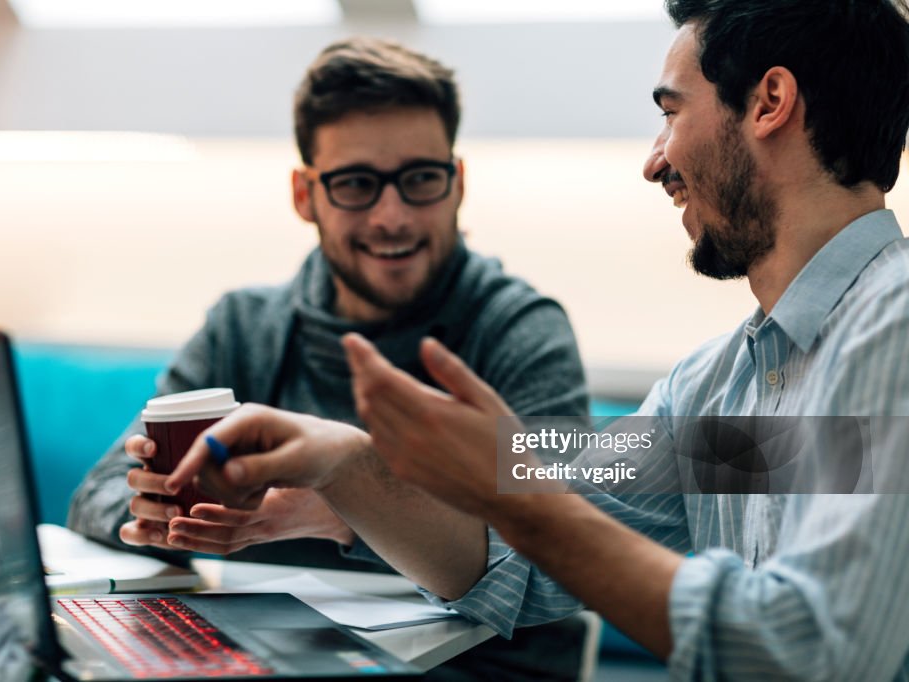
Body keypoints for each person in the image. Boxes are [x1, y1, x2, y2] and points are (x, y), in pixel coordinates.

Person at [168, 1, 909, 679]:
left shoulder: (895, 322)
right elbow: (524, 534)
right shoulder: (717, 391)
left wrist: (506, 487)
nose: (655, 161)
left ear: (769, 104)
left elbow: (815, 652)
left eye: (671, 114)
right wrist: (349, 468)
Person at [68, 37, 590, 680]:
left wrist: (346, 505)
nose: (392, 216)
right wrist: (160, 512)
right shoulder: (244, 327)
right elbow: (95, 496)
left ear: (458, 184)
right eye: (355, 185)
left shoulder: (519, 329)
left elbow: (563, 537)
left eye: (421, 179)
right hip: (255, 661)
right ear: (304, 194)